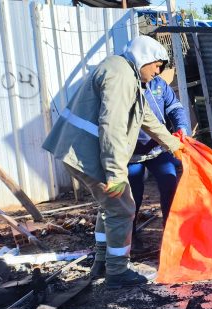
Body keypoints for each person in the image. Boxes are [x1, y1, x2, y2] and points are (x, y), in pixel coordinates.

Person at [42, 36, 184, 289]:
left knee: (109, 206)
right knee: (122, 208)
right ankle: (117, 272)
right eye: (157, 66)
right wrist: (116, 174)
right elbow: (113, 127)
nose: (158, 72)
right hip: (85, 154)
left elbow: (145, 116)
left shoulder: (124, 72)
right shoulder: (121, 76)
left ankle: (101, 261)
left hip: (81, 152)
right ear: (145, 58)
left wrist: (172, 144)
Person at [128, 76, 191, 251]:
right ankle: (129, 237)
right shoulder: (126, 84)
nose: (157, 70)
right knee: (133, 196)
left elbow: (175, 107)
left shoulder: (158, 84)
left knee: (169, 183)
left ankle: (170, 234)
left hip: (159, 149)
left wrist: (182, 127)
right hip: (131, 155)